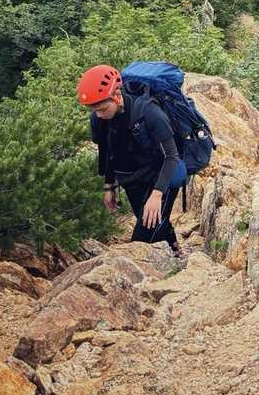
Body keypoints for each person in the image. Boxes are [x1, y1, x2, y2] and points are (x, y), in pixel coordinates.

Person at [78, 64, 185, 257]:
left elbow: (171, 156)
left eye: (103, 109)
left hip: (161, 175)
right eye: (95, 110)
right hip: (133, 179)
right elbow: (107, 150)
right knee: (153, 220)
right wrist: (109, 185)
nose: (99, 115)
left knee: (142, 238)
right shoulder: (98, 119)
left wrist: (157, 194)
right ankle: (175, 252)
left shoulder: (149, 112)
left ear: (117, 96)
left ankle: (156, 264)